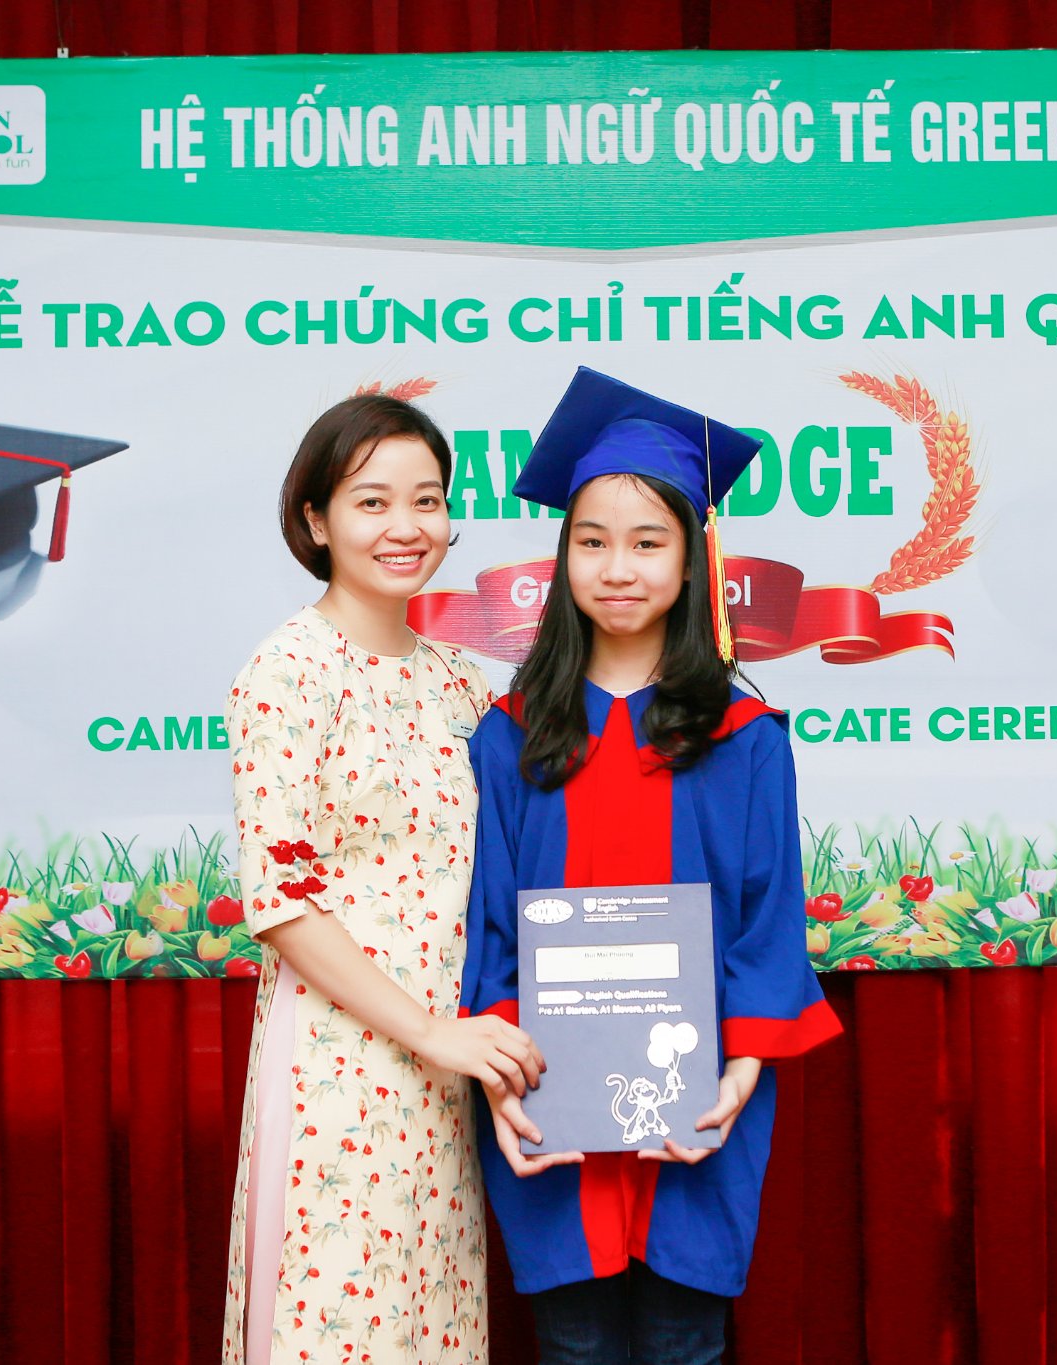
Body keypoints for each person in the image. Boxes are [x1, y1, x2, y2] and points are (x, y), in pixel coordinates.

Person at [460, 368, 844, 1364]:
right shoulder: (509, 736)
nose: (617, 567)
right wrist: (500, 1080)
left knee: (684, 1338)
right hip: (549, 1091)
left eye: (646, 541)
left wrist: (741, 1068)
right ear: (562, 559)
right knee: (574, 1342)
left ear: (691, 559)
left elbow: (768, 919)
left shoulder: (743, 735)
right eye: (591, 541)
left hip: (701, 1091)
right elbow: (487, 925)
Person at [221, 393, 547, 1365]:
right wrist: (429, 1032)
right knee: (339, 1326)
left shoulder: (461, 681)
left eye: (426, 499)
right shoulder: (286, 672)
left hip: (451, 1064)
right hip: (343, 1059)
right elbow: (282, 899)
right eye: (371, 502)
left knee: (428, 1322)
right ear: (316, 521)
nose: (405, 526)